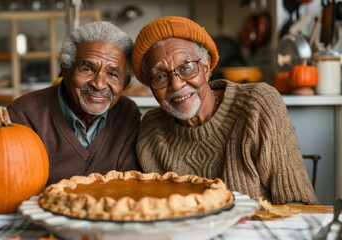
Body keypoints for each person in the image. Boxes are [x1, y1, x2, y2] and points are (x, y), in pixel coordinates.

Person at [132, 16, 318, 205]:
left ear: (205, 68)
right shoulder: (151, 130)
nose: (177, 84)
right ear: (150, 85)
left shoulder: (257, 105)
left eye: (186, 67)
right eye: (160, 76)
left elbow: (298, 205)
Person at [7, 21, 142, 185]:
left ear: (125, 82)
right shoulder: (24, 115)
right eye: (87, 69)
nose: (99, 84)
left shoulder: (127, 113)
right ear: (65, 69)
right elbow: (14, 188)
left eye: (113, 74)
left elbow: (127, 186)